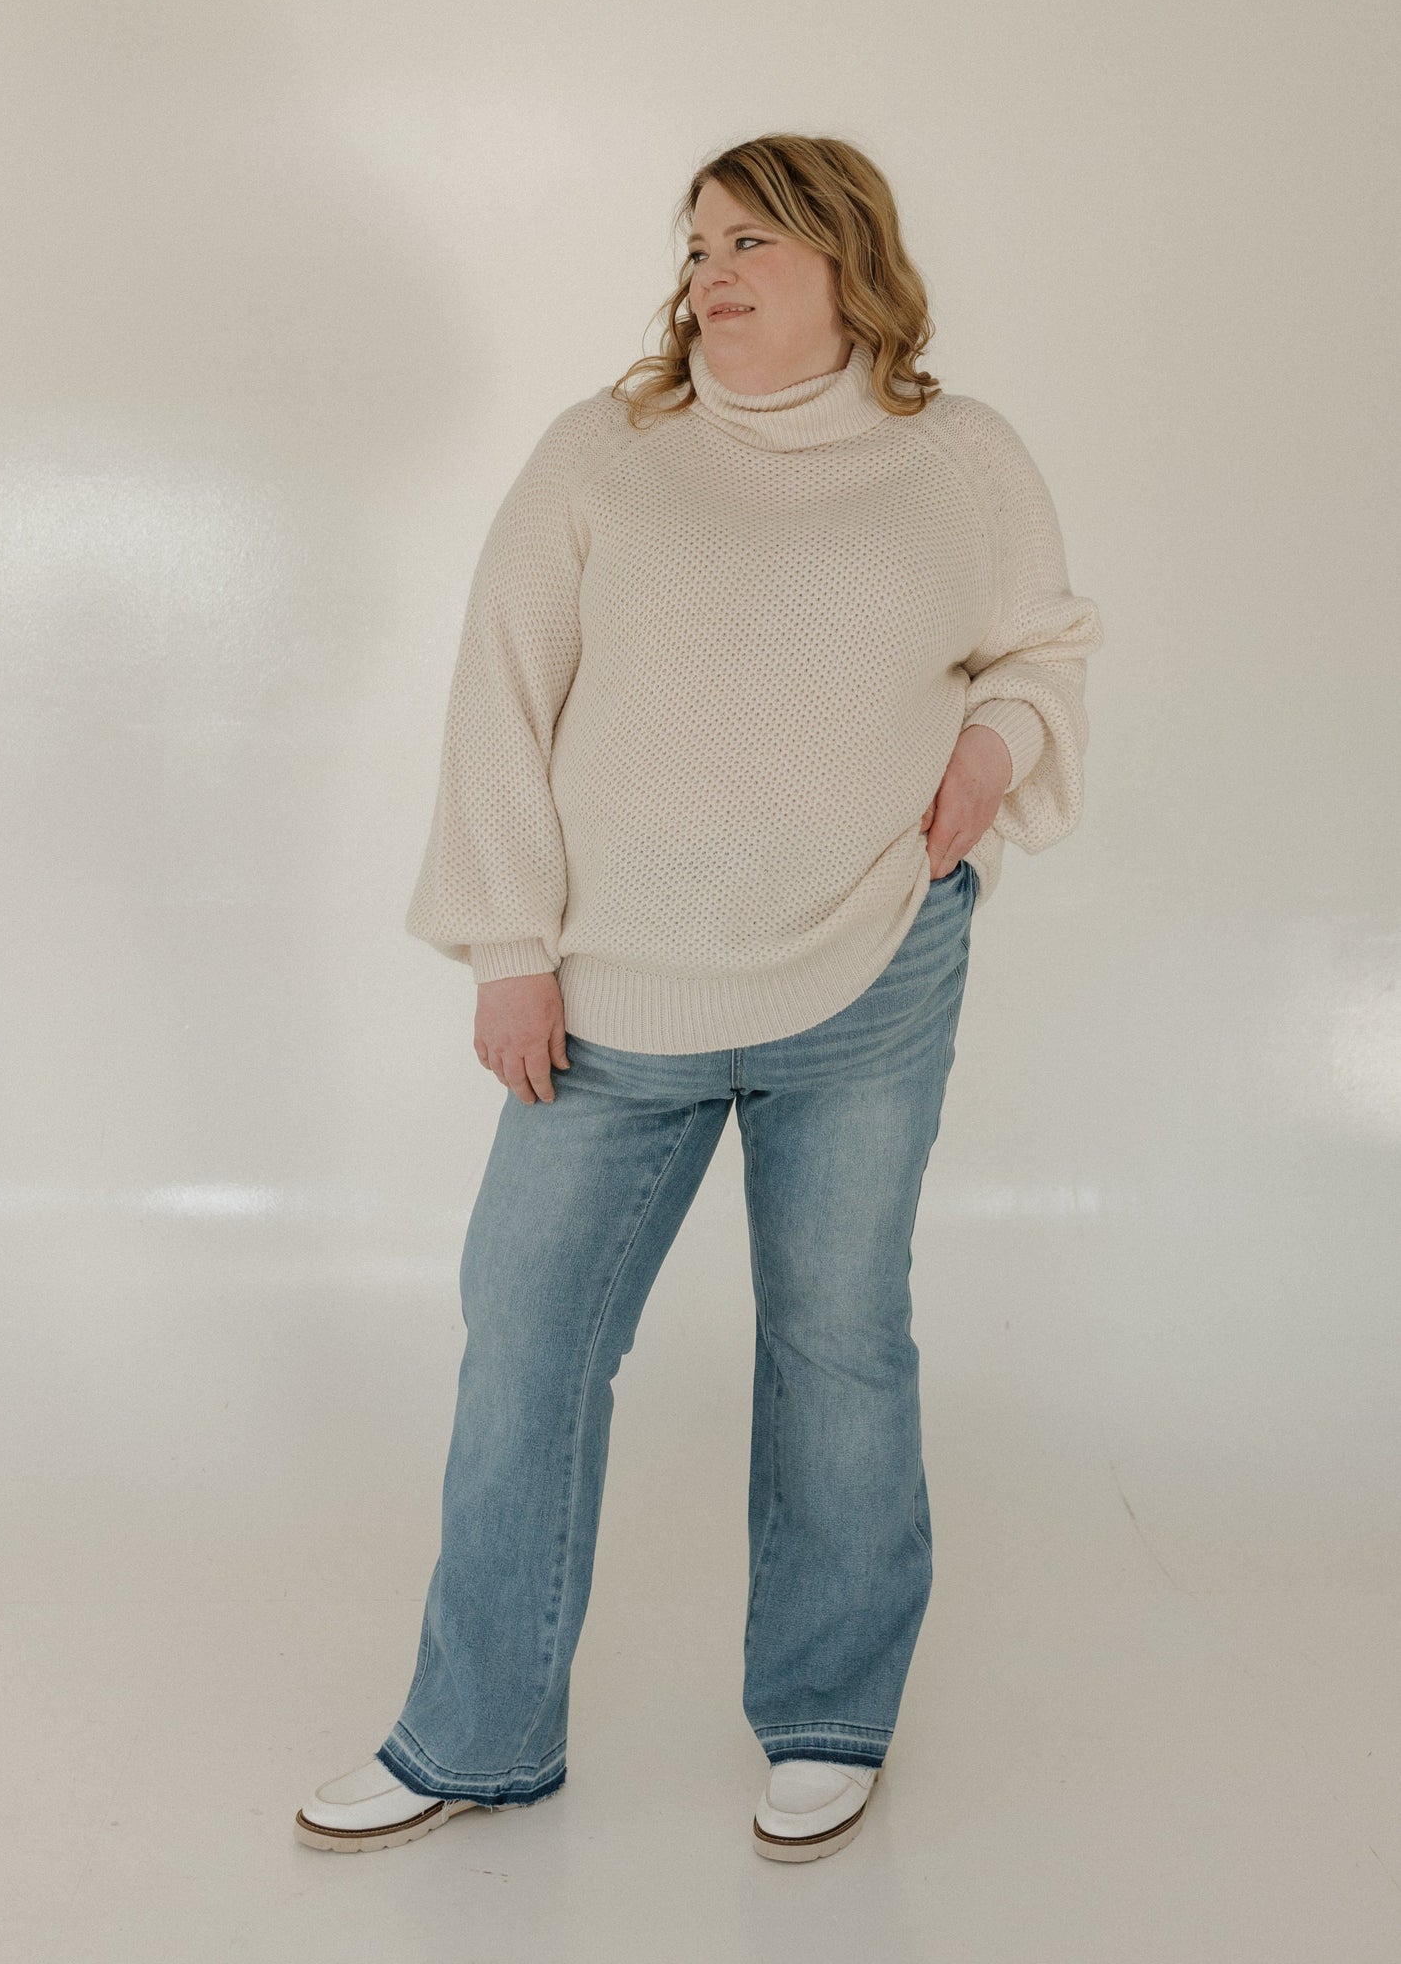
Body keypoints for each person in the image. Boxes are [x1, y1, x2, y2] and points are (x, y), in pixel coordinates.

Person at [296, 133, 1103, 1864]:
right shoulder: (606, 451)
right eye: (694, 244)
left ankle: (825, 1713)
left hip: (873, 963)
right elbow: (498, 698)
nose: (707, 271)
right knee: (523, 1346)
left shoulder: (958, 458)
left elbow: (1040, 643)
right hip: (606, 998)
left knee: (836, 1340)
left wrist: (994, 744)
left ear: (843, 259)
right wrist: (511, 948)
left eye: (747, 239)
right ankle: (476, 1734)